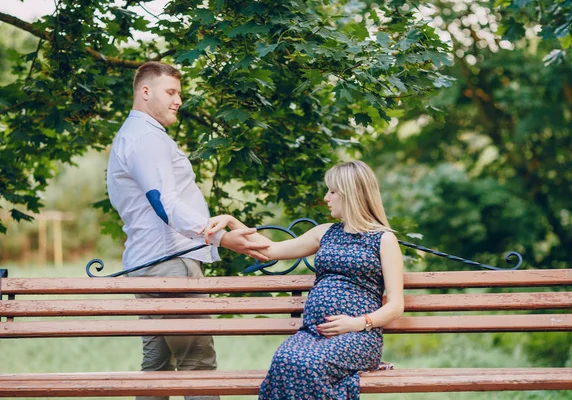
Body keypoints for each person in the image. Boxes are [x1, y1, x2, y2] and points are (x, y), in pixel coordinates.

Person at [106, 61, 268, 400]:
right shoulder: (146, 138)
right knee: (198, 363)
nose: (179, 100)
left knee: (158, 366)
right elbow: (163, 202)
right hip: (170, 266)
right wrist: (221, 237)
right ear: (145, 91)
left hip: (147, 265)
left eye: (180, 92)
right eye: (171, 92)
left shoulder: (135, 135)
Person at [203, 160, 405, 399]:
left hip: (358, 336)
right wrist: (230, 220)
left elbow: (395, 305)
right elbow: (270, 250)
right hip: (312, 334)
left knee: (309, 365)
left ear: (351, 193)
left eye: (332, 191)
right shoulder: (325, 232)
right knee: (284, 360)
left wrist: (358, 323)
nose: (326, 197)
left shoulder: (383, 240)